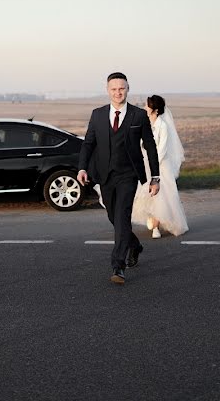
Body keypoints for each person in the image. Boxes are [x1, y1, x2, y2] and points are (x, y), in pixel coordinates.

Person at [77, 72, 160, 285]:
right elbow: (88, 144)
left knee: (122, 216)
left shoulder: (138, 115)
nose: (118, 92)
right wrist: (82, 168)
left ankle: (118, 266)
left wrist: (155, 177)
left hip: (128, 175)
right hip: (104, 175)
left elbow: (150, 147)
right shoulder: (97, 115)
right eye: (114, 89)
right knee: (114, 218)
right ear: (108, 90)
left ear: (128, 88)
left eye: (121, 88)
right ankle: (135, 245)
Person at [132, 95, 188, 238]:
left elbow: (162, 149)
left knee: (160, 197)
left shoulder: (162, 126)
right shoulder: (144, 123)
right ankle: (151, 219)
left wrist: (153, 165)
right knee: (145, 194)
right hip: (144, 162)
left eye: (147, 105)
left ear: (155, 110)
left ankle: (156, 227)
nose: (145, 107)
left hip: (160, 165)